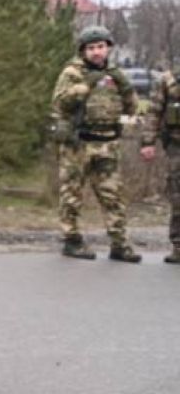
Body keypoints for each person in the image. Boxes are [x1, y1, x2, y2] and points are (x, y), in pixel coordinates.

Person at [51, 25, 140, 261]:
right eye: (91, 48)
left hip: (107, 143)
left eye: (100, 47)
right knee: (71, 195)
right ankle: (72, 241)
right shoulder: (73, 73)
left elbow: (132, 107)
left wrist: (126, 87)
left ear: (108, 48)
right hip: (78, 144)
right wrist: (85, 86)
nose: (97, 52)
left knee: (113, 196)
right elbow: (60, 103)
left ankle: (119, 244)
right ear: (83, 51)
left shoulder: (115, 74)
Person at [138, 65, 180, 263]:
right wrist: (148, 142)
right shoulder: (169, 80)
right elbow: (154, 112)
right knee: (178, 196)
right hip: (177, 147)